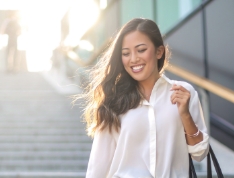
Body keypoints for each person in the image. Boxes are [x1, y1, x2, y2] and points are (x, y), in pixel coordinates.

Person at [82, 18, 209, 178]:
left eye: (141, 50)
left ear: (159, 51)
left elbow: (200, 153)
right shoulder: (114, 101)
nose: (133, 59)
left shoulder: (184, 92)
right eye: (126, 53)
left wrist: (185, 115)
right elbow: (98, 164)